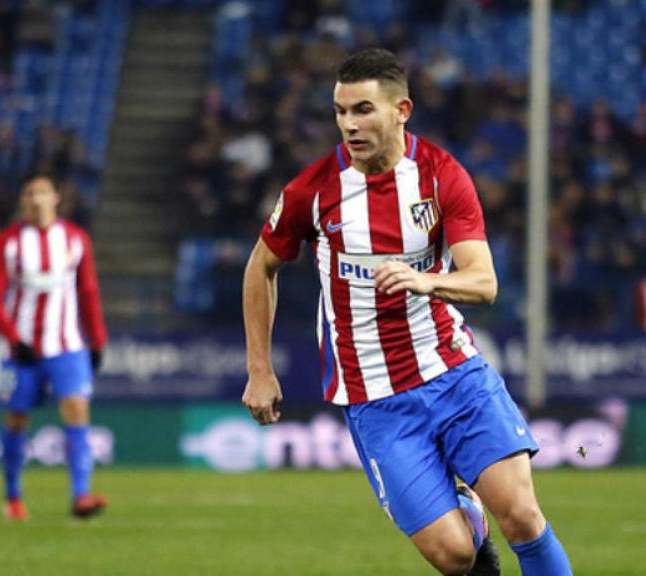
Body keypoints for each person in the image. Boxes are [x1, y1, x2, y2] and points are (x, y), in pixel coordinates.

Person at [241, 49, 571, 576]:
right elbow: (261, 267)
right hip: (375, 399)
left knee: (524, 518)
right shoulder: (313, 190)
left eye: (363, 109)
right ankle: (469, 518)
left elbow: (484, 282)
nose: (349, 124)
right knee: (455, 555)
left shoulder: (442, 177)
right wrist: (259, 368)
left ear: (401, 110)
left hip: (454, 375)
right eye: (341, 111)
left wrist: (427, 280)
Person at [0, 173, 108, 521]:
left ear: (56, 198)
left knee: (77, 409)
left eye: (42, 193)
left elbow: (88, 292)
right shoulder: (7, 243)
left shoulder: (75, 239)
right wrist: (13, 339)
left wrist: (97, 341)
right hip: (19, 353)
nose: (36, 200)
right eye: (29, 194)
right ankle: (12, 496)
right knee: (16, 418)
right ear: (22, 202)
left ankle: (81, 495)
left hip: (67, 346)